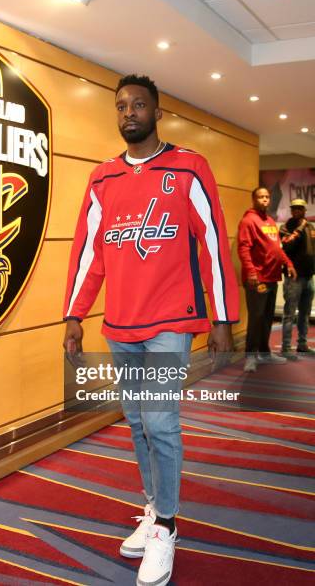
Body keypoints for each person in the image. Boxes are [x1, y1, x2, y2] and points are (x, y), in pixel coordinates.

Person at [63, 74, 239, 586]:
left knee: (160, 421)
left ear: (158, 112)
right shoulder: (101, 179)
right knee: (137, 421)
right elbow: (89, 253)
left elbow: (212, 244)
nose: (129, 113)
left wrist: (223, 317)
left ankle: (165, 526)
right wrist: (75, 315)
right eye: (121, 106)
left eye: (139, 105)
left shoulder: (189, 168)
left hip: (171, 319)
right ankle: (153, 505)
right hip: (120, 324)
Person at [237, 187, 297, 372]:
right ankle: (250, 357)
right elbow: (244, 249)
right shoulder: (249, 221)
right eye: (261, 197)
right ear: (254, 199)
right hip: (258, 279)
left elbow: (277, 248)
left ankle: (264, 352)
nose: (264, 200)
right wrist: (252, 273)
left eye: (267, 197)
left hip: (272, 277)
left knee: (267, 318)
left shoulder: (270, 221)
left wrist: (289, 263)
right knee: (256, 318)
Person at [280, 198, 315, 358]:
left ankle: (302, 344)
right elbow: (288, 245)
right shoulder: (285, 227)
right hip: (293, 278)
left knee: (305, 313)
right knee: (289, 313)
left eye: (300, 208)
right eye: (294, 208)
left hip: (308, 277)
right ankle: (286, 348)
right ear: (291, 210)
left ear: (304, 210)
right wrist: (299, 229)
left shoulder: (310, 227)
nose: (297, 211)